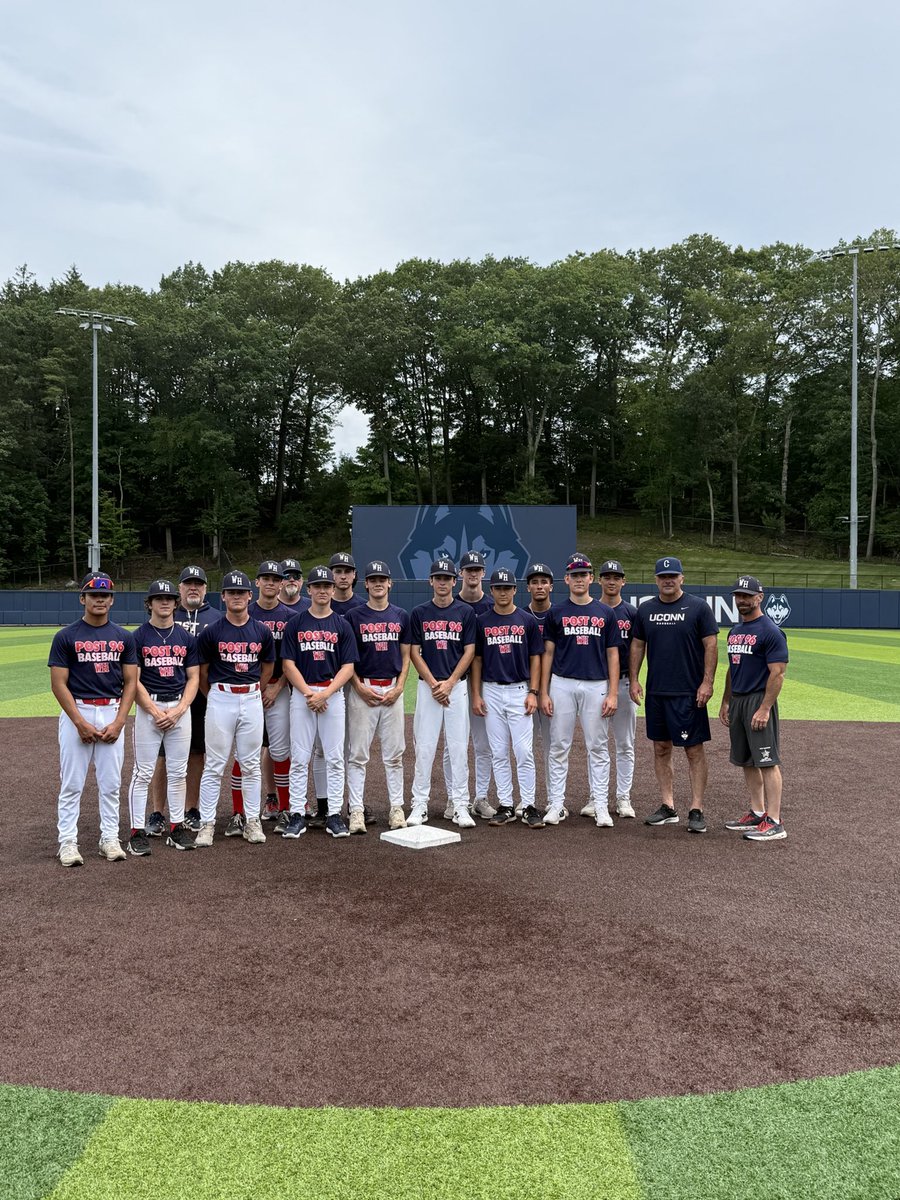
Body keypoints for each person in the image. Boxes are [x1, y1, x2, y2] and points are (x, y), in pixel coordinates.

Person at [48, 573, 138, 866]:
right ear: (82, 598)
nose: (100, 599)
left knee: (111, 783)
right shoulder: (66, 636)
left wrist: (120, 721)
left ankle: (109, 838)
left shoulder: (124, 637)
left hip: (112, 710)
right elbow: (58, 683)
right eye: (94, 594)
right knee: (72, 783)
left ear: (112, 600)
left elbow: (131, 682)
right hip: (80, 709)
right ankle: (67, 843)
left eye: (106, 595)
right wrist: (79, 722)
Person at [630, 556, 718, 834]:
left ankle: (697, 808)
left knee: (693, 750)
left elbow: (711, 645)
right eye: (662, 576)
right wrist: (633, 679)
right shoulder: (645, 610)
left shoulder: (698, 607)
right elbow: (637, 646)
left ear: (682, 578)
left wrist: (707, 682)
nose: (668, 580)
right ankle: (668, 806)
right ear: (656, 580)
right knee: (661, 748)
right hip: (657, 692)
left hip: (688, 693)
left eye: (673, 576)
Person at [194, 571, 275, 848]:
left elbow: (267, 667)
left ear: (249, 596)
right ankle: (206, 824)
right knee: (215, 765)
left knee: (250, 764)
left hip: (251, 697)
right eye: (232, 592)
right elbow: (203, 673)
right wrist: (214, 695)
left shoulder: (261, 631)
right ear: (224, 596)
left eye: (242, 592)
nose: (237, 596)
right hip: (221, 697)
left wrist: (254, 689)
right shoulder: (212, 631)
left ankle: (252, 821)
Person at [540, 554, 620, 827]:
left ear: (590, 578)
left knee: (597, 746)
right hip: (561, 682)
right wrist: (543, 691)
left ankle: (600, 805)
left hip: (596, 683)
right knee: (559, 746)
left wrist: (612, 693)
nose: (579, 579)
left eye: (583, 574)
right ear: (567, 579)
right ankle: (556, 804)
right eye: (574, 575)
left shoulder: (605, 613)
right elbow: (548, 653)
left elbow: (613, 654)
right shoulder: (556, 613)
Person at [280, 566, 359, 839]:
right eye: (318, 586)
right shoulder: (296, 623)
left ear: (333, 590)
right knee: (300, 758)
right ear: (309, 590)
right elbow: (287, 664)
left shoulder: (342, 624)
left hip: (332, 695)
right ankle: (297, 814)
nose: (323, 590)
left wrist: (325, 694)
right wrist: (308, 694)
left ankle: (334, 814)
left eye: (327, 586)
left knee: (336, 758)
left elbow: (348, 666)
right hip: (303, 696)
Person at [127, 579, 200, 854]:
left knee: (178, 772)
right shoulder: (137, 637)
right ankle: (136, 832)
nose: (165, 602)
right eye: (159, 598)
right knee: (142, 772)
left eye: (169, 598)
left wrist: (180, 709)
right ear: (150, 604)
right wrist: (155, 711)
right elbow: (133, 679)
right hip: (150, 710)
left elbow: (193, 678)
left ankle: (176, 827)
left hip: (179, 710)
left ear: (176, 603)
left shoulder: (186, 638)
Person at [147, 565, 220, 836]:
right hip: (169, 693)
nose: (193, 588)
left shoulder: (216, 617)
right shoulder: (166, 614)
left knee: (197, 753)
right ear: (179, 590)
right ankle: (157, 812)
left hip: (204, 696)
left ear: (205, 588)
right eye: (188, 583)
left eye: (198, 584)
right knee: (163, 757)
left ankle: (191, 809)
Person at [470, 569, 545, 828]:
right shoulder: (482, 621)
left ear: (515, 590)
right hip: (491, 689)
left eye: (507, 587)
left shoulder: (526, 620)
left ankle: (529, 804)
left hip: (519, 690)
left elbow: (536, 657)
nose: (503, 592)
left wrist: (533, 692)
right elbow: (477, 659)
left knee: (523, 751)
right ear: (491, 591)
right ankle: (505, 804)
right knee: (498, 752)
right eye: (498, 588)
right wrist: (477, 694)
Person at [407, 557, 477, 828]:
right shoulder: (419, 613)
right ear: (431, 581)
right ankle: (419, 805)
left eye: (447, 578)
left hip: (456, 687)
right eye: (438, 578)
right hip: (428, 688)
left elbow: (469, 651)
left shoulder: (465, 613)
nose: (443, 582)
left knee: (458, 748)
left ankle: (460, 805)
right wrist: (435, 683)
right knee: (424, 748)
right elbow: (413, 651)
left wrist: (449, 682)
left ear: (454, 581)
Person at [719, 576, 789, 841]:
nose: (742, 600)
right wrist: (726, 700)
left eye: (747, 596)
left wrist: (765, 708)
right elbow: (732, 668)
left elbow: (778, 674)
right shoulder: (735, 631)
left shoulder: (770, 631)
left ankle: (774, 821)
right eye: (738, 596)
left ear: (760, 597)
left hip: (758, 700)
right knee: (746, 760)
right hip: (738, 700)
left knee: (767, 760)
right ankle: (757, 812)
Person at [227, 562, 294, 837]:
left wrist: (276, 687)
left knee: (280, 751)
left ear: (281, 584)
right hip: (249, 692)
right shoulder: (244, 613)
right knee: (243, 753)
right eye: (265, 577)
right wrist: (259, 688)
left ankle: (285, 808)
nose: (270, 582)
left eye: (275, 579)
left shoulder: (291, 616)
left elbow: (292, 659)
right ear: (256, 584)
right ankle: (239, 813)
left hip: (278, 690)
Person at [344, 560, 411, 833]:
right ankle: (356, 810)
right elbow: (347, 658)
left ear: (390, 583)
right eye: (373, 579)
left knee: (394, 755)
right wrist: (358, 686)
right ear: (367, 584)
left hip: (392, 689)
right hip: (363, 690)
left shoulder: (401, 615)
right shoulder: (353, 617)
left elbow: (406, 656)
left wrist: (400, 687)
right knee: (357, 755)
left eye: (383, 578)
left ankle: (397, 807)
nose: (378, 583)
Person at [580, 560, 638, 820]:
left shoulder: (631, 613)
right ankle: (596, 796)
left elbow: (638, 650)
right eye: (607, 576)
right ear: (599, 580)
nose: (612, 581)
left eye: (617, 577)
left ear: (623, 581)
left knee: (625, 744)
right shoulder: (593, 610)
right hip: (597, 683)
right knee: (596, 744)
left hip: (624, 683)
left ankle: (623, 797)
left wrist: (635, 680)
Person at [444, 550, 496, 819]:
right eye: (468, 569)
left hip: (486, 682)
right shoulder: (449, 605)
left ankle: (480, 797)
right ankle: (454, 798)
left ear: (483, 573)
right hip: (455, 683)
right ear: (460, 574)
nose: (473, 573)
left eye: (477, 569)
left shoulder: (492, 605)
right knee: (453, 744)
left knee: (483, 743)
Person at [525, 562, 555, 805]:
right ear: (527, 588)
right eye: (535, 582)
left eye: (543, 581)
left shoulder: (559, 614)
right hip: (523, 685)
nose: (539, 586)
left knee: (552, 746)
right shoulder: (521, 615)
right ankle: (527, 800)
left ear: (551, 586)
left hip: (555, 686)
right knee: (524, 747)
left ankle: (554, 800)